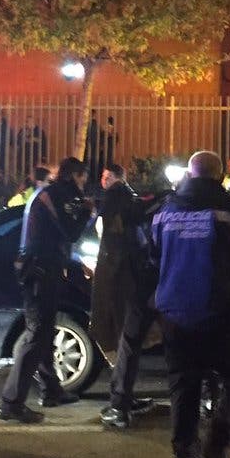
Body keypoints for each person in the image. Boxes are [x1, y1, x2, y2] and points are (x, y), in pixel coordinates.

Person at [152, 150, 230, 458]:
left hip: (173, 311)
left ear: (189, 174)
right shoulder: (229, 211)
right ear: (218, 177)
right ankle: (219, 443)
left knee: (184, 385)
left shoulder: (165, 211)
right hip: (216, 311)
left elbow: (152, 254)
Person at [0, 157, 91, 422]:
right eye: (83, 178)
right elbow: (69, 231)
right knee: (37, 335)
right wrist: (86, 212)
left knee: (45, 331)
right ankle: (11, 403)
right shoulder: (51, 195)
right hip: (39, 272)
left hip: (44, 269)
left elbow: (55, 235)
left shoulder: (52, 194)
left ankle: (51, 390)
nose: (84, 184)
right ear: (74, 175)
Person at [93, 163, 159, 429]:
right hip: (143, 279)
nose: (105, 180)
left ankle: (120, 405)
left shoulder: (116, 199)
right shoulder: (137, 203)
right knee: (129, 341)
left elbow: (117, 239)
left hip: (125, 282)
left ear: (121, 179)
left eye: (110, 177)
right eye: (104, 176)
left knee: (126, 340)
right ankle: (123, 400)